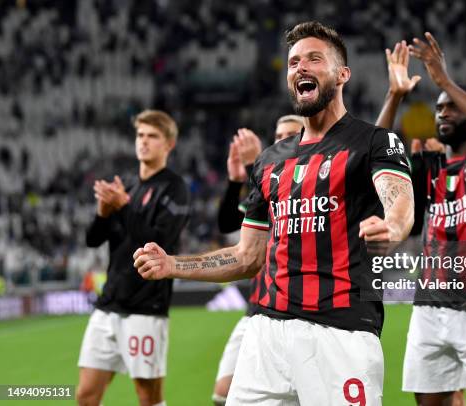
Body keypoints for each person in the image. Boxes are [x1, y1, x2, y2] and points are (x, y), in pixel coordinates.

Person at [134, 21, 415, 405]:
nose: (301, 67)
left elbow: (399, 202)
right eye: (294, 62)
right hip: (265, 335)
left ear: (342, 74)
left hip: (341, 334)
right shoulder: (269, 162)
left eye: (315, 59)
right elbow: (248, 257)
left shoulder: (374, 141)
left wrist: (393, 227)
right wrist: (173, 265)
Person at [376, 34, 466, 405]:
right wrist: (395, 97)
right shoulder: (428, 166)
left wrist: (445, 81)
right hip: (429, 310)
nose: (443, 113)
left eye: (451, 107)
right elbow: (373, 157)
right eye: (439, 109)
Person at [76, 110, 191, 406]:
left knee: (148, 398)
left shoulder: (175, 189)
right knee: (86, 396)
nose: (144, 142)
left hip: (146, 308)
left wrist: (124, 207)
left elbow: (159, 244)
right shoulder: (125, 186)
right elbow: (92, 240)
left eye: (152, 136)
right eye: (140, 135)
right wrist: (103, 213)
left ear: (169, 144)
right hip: (109, 304)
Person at [213, 116, 303, 405]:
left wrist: (255, 168)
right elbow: (228, 222)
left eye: (291, 134)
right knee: (223, 392)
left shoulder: (307, 182)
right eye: (279, 135)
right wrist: (235, 180)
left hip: (297, 311)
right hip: (257, 308)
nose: (283, 140)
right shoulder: (268, 179)